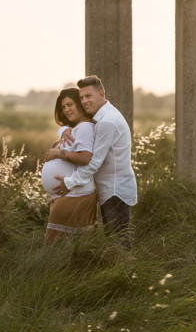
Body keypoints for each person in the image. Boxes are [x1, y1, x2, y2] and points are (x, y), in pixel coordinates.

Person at [53, 74, 137, 249]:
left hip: (115, 192)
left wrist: (70, 182)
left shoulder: (107, 122)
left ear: (101, 94)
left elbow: (93, 162)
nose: (84, 101)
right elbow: (77, 124)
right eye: (82, 97)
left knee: (119, 244)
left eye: (88, 96)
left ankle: (129, 274)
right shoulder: (100, 117)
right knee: (115, 241)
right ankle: (123, 273)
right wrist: (64, 130)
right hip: (110, 190)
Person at [41, 87, 98, 244]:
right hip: (69, 193)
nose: (66, 110)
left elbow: (85, 157)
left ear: (80, 104)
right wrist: (64, 130)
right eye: (63, 107)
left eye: (70, 104)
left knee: (55, 247)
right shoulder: (77, 128)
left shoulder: (85, 127)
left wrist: (59, 154)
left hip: (74, 194)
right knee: (71, 245)